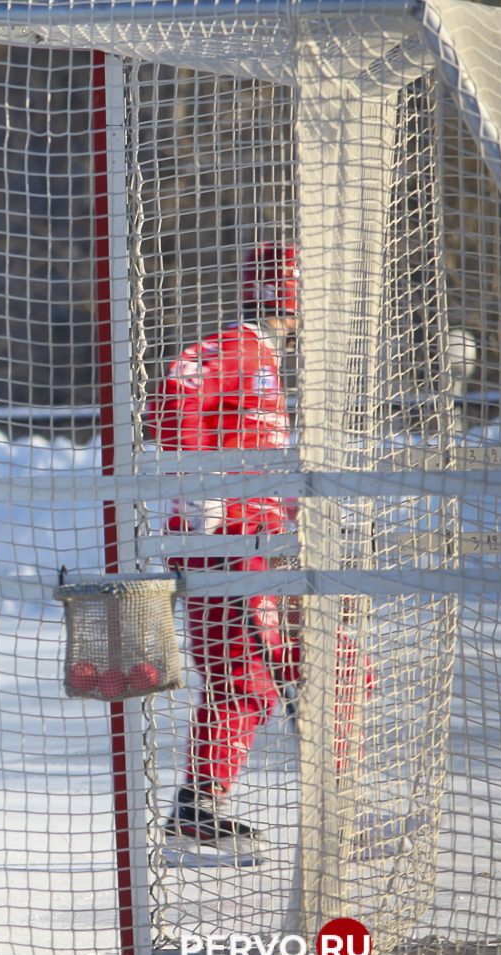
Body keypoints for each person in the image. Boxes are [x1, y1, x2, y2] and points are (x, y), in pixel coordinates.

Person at [144, 242, 360, 865]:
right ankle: (195, 818)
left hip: (267, 545)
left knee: (331, 660)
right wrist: (199, 490)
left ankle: (337, 803)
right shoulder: (238, 349)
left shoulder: (264, 358)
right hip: (229, 546)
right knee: (246, 678)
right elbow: (174, 395)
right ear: (291, 299)